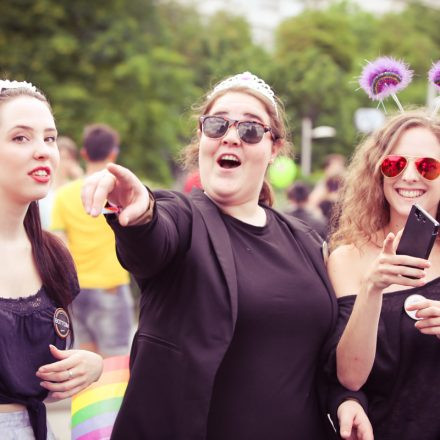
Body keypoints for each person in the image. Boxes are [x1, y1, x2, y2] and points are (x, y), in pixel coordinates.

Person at [81, 72, 372, 439]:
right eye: (217, 125)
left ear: (274, 147)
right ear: (201, 138)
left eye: (250, 129)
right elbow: (153, 239)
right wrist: (140, 214)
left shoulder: (307, 240)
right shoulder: (183, 218)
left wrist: (346, 398)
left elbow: (322, 358)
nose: (231, 136)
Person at [328, 109, 440, 439]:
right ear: (378, 172)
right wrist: (372, 289)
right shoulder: (347, 258)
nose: (408, 176)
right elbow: (349, 378)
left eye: (427, 166)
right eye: (394, 164)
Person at [0, 80, 103, 440]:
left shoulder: (52, 254)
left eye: (50, 138)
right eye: (20, 138)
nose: (44, 151)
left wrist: (89, 364)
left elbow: (54, 355)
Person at [51, 123, 134, 357]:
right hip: (110, 287)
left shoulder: (64, 195)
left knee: (85, 362)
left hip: (76, 290)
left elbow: (60, 245)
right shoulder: (118, 193)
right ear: (113, 153)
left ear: (84, 154)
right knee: (115, 363)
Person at [39, 135, 83, 229]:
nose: (67, 163)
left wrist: (79, 178)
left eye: (71, 159)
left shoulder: (74, 188)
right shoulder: (42, 190)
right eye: (64, 158)